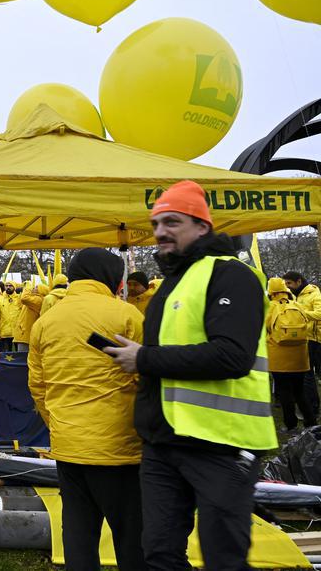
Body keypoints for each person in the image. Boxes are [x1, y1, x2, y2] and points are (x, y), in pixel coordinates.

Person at [103, 180, 276, 570]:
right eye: (157, 223)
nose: (161, 231)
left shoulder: (231, 275)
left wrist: (143, 359)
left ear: (202, 226)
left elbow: (232, 356)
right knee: (160, 553)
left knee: (223, 557)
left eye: (173, 222)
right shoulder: (173, 282)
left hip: (223, 444)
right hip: (164, 443)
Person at [28, 249, 146, 570]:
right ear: (112, 277)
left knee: (79, 534)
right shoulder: (128, 316)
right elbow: (146, 376)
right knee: (132, 537)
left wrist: (58, 423)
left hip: (68, 444)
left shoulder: (46, 320)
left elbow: (38, 386)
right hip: (120, 447)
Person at [266, 277, 316, 432]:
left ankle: (291, 425)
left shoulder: (270, 307)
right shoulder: (297, 305)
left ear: (271, 291)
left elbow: (264, 328)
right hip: (300, 358)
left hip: (279, 359)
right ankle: (310, 421)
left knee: (285, 393)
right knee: (299, 391)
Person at [282, 270, 321, 413]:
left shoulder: (313, 293)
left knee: (310, 375)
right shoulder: (292, 296)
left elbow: (320, 313)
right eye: (285, 284)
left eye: (289, 283)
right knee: (306, 374)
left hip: (315, 339)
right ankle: (311, 407)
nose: (287, 286)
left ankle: (313, 408)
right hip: (302, 338)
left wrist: (301, 313)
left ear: (299, 281)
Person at [14, 281, 49, 351]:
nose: (33, 288)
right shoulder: (34, 298)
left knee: (23, 358)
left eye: (36, 287)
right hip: (23, 333)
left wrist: (27, 287)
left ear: (41, 290)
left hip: (26, 335)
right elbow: (20, 303)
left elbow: (24, 299)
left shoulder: (39, 299)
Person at [0, 281, 18, 352]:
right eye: (6, 286)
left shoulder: (19, 299)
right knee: (6, 356)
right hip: (5, 333)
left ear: (14, 287)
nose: (8, 287)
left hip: (17, 333)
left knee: (19, 355)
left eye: (10, 286)